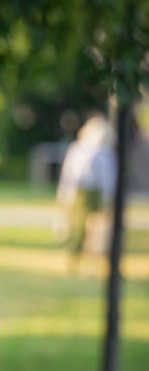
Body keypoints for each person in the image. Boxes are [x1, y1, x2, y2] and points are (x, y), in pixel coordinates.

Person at [55, 114, 117, 272]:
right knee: (78, 227)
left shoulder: (105, 152)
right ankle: (74, 259)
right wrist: (64, 194)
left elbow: (108, 177)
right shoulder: (78, 149)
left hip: (96, 192)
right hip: (80, 191)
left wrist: (108, 197)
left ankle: (93, 262)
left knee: (97, 229)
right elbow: (68, 173)